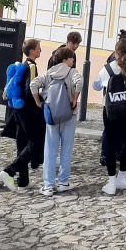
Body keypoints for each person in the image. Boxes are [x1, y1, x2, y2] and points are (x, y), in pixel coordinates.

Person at [93, 38, 126, 195]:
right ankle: (122, 176)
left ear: (115, 52)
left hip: (111, 112)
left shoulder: (107, 69)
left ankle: (111, 182)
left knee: (111, 144)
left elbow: (96, 86)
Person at [30, 46, 83, 196]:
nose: (73, 60)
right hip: (69, 115)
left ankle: (48, 185)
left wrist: (38, 102)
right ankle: (63, 182)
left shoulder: (49, 73)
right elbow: (79, 82)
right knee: (66, 149)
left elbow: (33, 84)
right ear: (65, 60)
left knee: (50, 149)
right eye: (71, 58)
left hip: (52, 116)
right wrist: (75, 98)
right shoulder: (72, 72)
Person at [0, 38, 46, 193]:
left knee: (22, 143)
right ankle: (9, 171)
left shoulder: (23, 65)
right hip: (27, 110)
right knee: (35, 142)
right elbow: (30, 88)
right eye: (38, 48)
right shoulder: (31, 66)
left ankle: (23, 181)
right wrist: (38, 102)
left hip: (17, 110)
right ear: (31, 51)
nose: (40, 50)